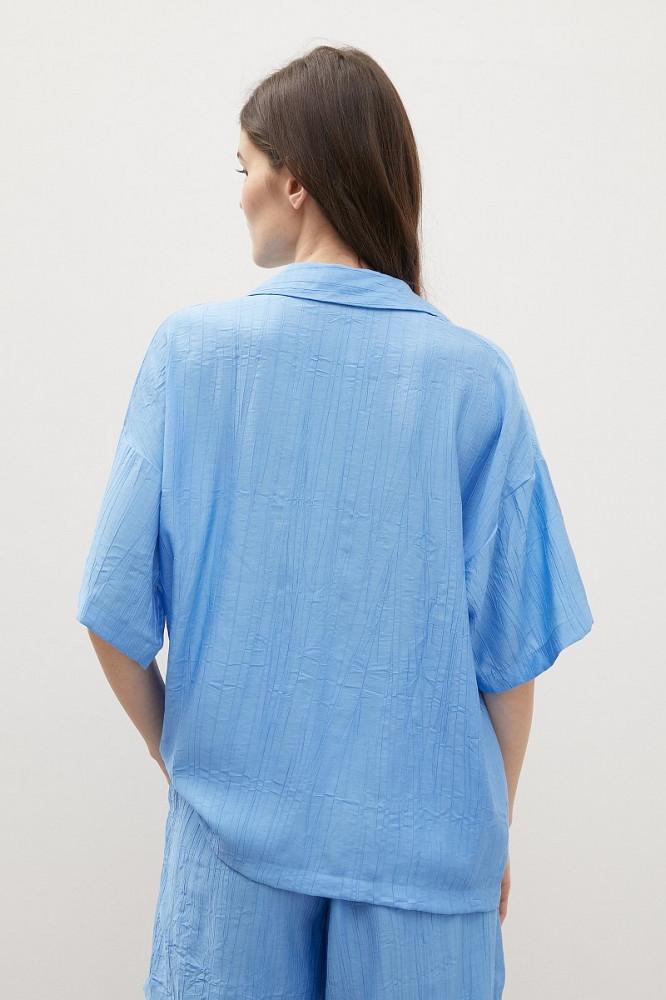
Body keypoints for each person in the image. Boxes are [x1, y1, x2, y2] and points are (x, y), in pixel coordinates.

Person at [76, 43, 594, 1000]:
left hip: (230, 861)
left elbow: (113, 621)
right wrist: (492, 827)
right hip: (427, 876)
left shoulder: (189, 358)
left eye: (245, 167)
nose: (239, 194)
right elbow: (511, 660)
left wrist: (181, 763)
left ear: (295, 179)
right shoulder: (474, 381)